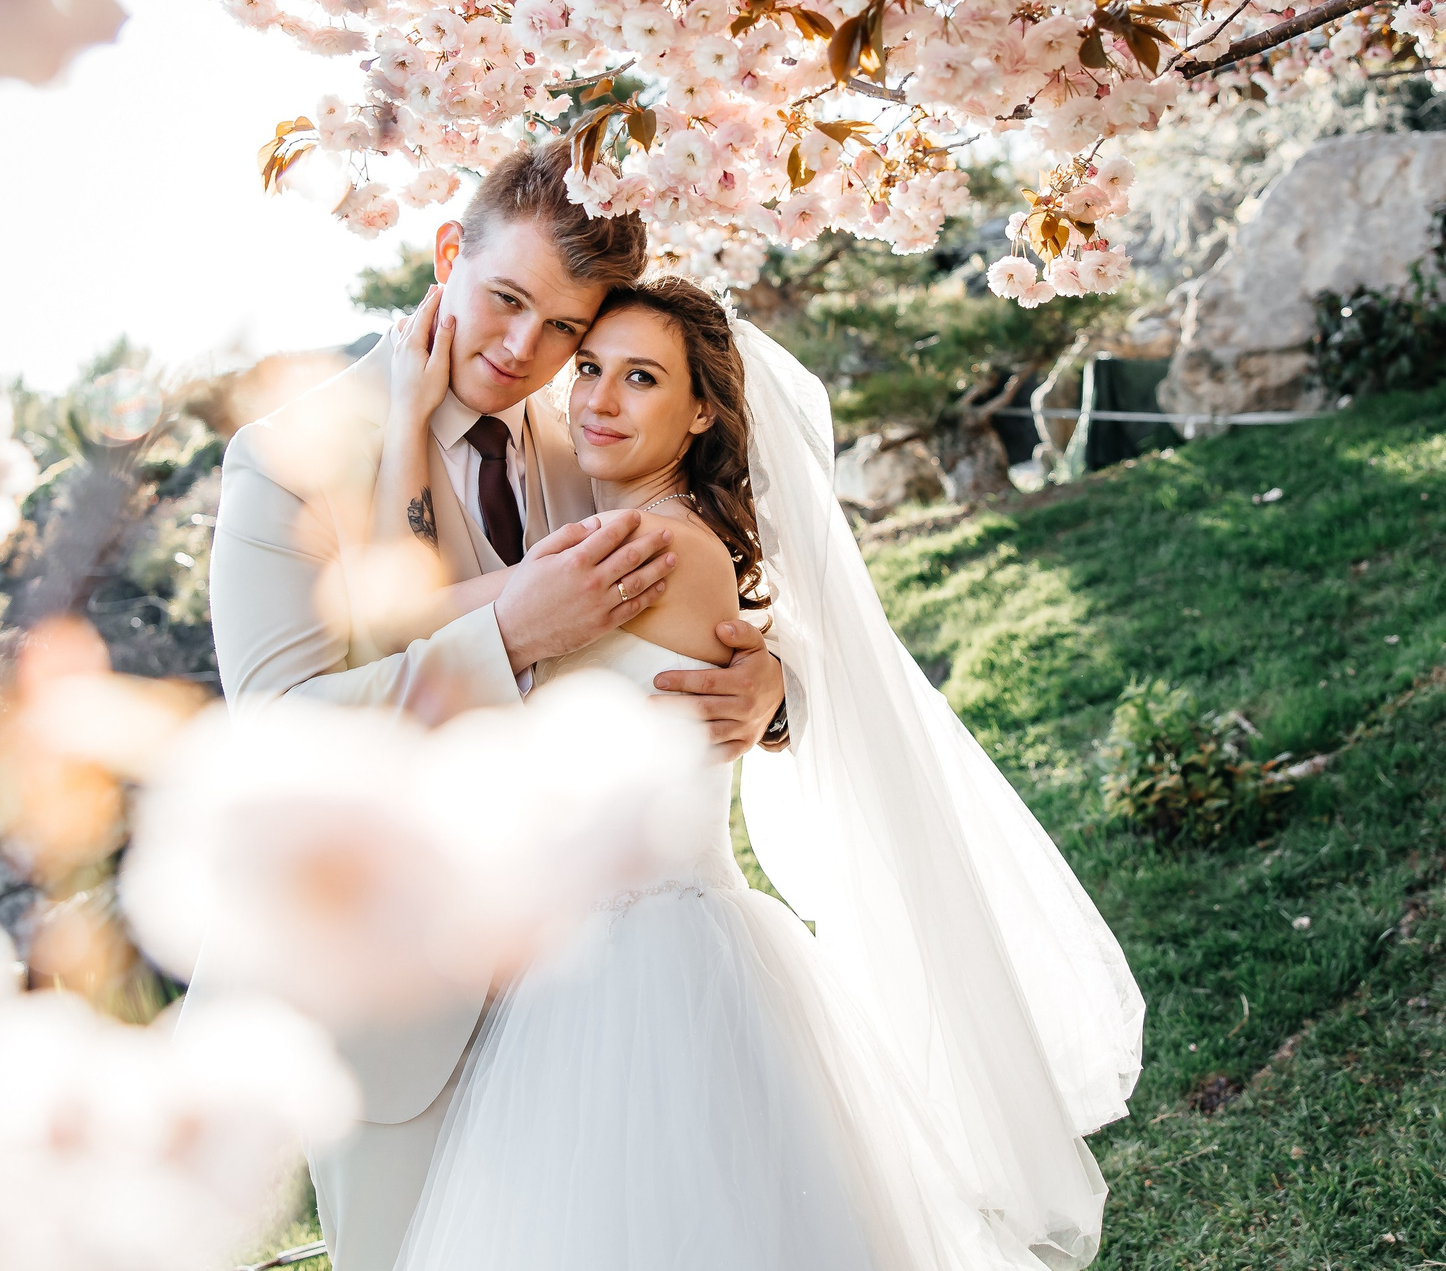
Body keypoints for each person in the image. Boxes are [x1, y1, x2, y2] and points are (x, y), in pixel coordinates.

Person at [373, 277, 1146, 1271]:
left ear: (700, 410)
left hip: (637, 970)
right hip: (629, 948)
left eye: (640, 377)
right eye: (591, 371)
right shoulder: (677, 535)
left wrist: (402, 408)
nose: (598, 400)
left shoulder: (633, 546)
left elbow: (407, 606)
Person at [204, 140, 794, 1271]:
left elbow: (701, 574)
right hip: (401, 996)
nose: (527, 350)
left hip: (603, 991)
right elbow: (280, 727)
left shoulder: (588, 425)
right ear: (446, 254)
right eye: (506, 299)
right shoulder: (289, 459)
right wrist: (511, 634)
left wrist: (767, 681)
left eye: (566, 328)